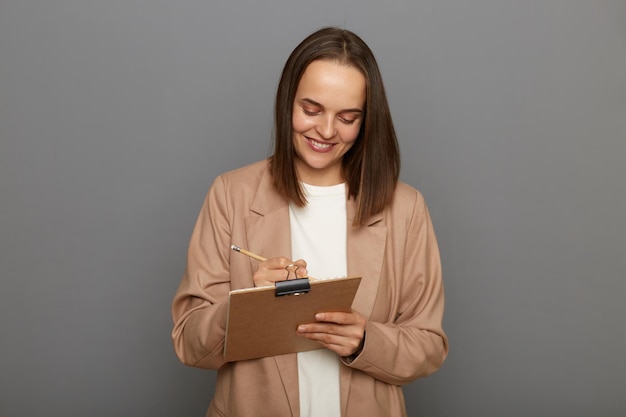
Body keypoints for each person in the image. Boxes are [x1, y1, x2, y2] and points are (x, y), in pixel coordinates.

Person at [171, 26, 448, 417]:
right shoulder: (231, 193)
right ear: (287, 103)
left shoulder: (405, 208)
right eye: (311, 110)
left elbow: (429, 346)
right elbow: (189, 343)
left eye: (348, 117)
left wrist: (365, 340)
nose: (327, 131)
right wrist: (246, 305)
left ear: (367, 121)